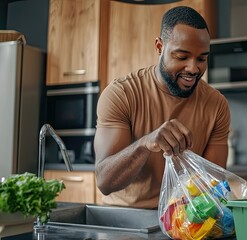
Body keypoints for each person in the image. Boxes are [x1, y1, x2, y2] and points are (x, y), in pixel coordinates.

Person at [94, 6, 230, 209]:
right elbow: (105, 181)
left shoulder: (216, 104)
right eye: (182, 57)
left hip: (184, 222)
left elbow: (212, 185)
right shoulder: (121, 94)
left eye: (201, 58)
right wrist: (145, 144)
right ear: (159, 47)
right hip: (125, 219)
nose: (193, 68)